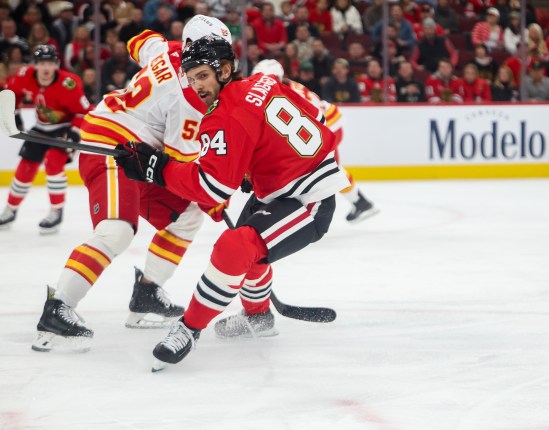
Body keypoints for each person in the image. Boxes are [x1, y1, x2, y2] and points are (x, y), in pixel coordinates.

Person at [112, 35, 350, 368]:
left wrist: (157, 169)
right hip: (281, 188)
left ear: (224, 70)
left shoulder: (224, 116)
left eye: (203, 76)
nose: (196, 85)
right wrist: (257, 168)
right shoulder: (260, 84)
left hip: (308, 200)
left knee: (236, 246)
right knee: (250, 250)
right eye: (191, 78)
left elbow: (211, 190)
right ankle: (259, 317)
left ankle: (189, 329)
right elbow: (316, 118)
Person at [31, 17, 232, 353]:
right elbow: (178, 163)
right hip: (112, 147)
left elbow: (141, 40)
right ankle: (58, 306)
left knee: (188, 214)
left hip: (135, 156)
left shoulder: (168, 50)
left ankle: (147, 293)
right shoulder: (190, 100)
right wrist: (213, 196)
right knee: (118, 230)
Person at [253, 59, 379, 223]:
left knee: (328, 169)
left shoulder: (284, 92)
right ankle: (360, 202)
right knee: (325, 169)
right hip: (327, 125)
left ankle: (361, 202)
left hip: (328, 127)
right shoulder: (283, 87)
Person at [0, 45, 91, 233]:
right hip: (40, 128)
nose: (46, 68)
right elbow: (10, 93)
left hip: (64, 130)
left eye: (50, 63)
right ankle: (10, 209)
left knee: (53, 165)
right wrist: (14, 112)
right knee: (25, 168)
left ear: (57, 65)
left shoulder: (70, 83)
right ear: (35, 65)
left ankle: (56, 212)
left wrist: (74, 134)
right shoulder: (25, 74)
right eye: (42, 63)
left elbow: (83, 112)